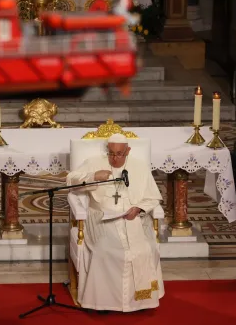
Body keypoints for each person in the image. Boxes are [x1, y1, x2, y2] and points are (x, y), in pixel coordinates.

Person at [66, 133, 163, 312]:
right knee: (105, 250)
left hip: (134, 219)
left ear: (128, 151)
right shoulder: (94, 162)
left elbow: (152, 196)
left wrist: (139, 208)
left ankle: (140, 301)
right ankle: (103, 303)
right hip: (102, 219)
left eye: (119, 154)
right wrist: (93, 175)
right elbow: (70, 180)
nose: (114, 158)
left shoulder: (139, 167)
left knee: (143, 249)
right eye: (111, 153)